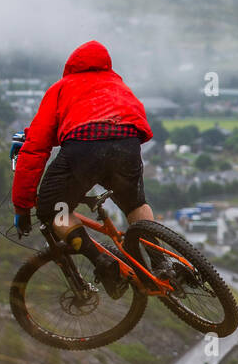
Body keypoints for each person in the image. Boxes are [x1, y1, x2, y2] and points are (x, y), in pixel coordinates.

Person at [11, 40, 154, 297]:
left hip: (84, 149)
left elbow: (36, 150)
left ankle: (101, 261)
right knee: (135, 205)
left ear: (71, 66)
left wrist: (22, 206)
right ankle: (160, 260)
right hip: (127, 144)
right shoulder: (118, 85)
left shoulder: (62, 87)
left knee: (52, 209)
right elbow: (130, 120)